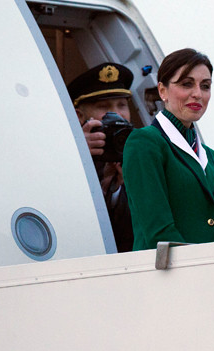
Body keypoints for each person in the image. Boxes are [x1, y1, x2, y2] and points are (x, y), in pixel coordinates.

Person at [123, 48, 214, 251]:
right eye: (186, 84)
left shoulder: (212, 158)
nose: (198, 94)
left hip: (210, 275)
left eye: (205, 86)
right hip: (165, 276)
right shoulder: (145, 143)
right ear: (162, 90)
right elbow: (158, 232)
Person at [68, 62, 135, 252]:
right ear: (79, 116)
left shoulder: (143, 155)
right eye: (104, 107)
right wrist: (77, 157)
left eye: (122, 105)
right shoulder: (70, 161)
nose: (118, 115)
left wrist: (124, 184)